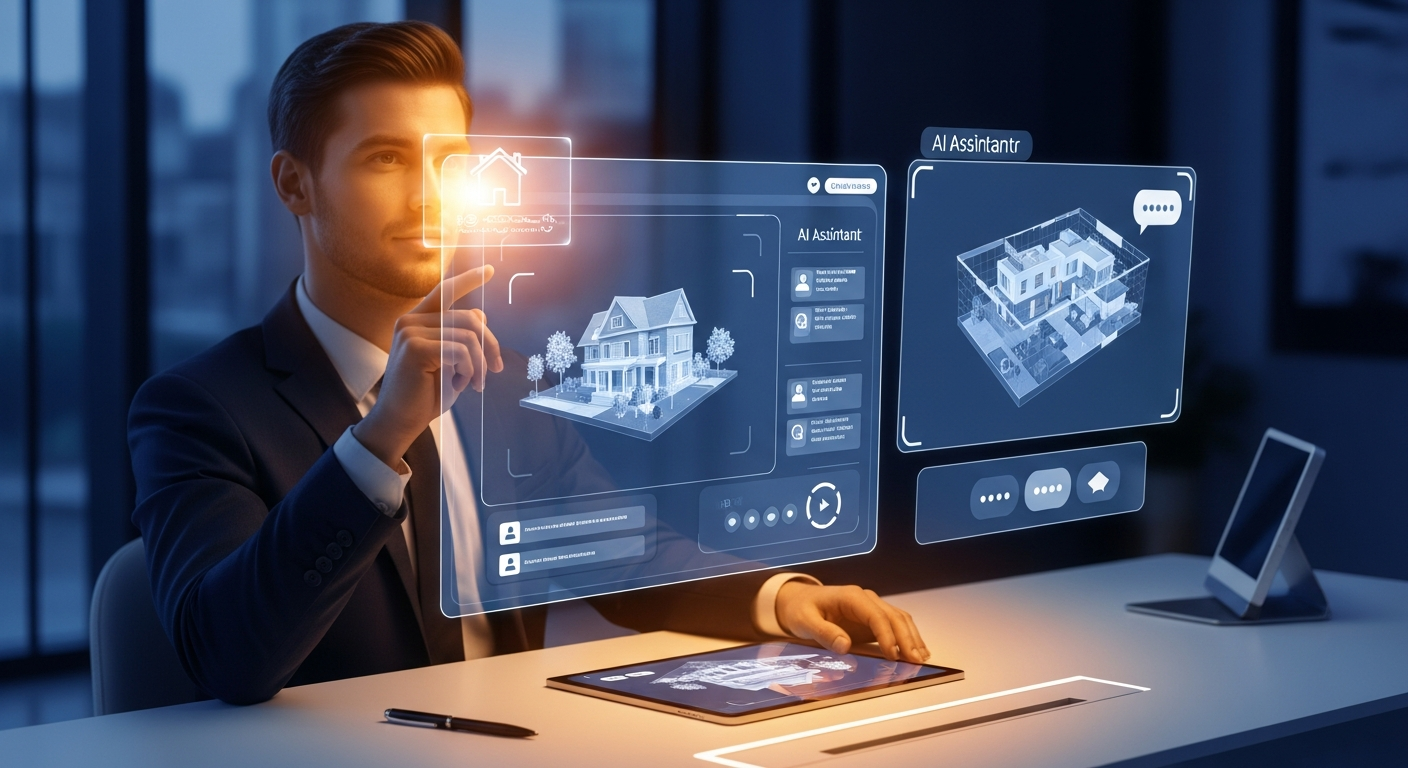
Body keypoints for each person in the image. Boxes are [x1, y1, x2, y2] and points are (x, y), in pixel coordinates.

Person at [128, 21, 928, 706]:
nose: (427, 198)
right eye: (384, 160)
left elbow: (625, 551)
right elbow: (227, 655)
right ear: (293, 184)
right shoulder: (198, 409)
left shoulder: (500, 379)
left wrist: (783, 598)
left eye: (447, 161)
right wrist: (382, 435)